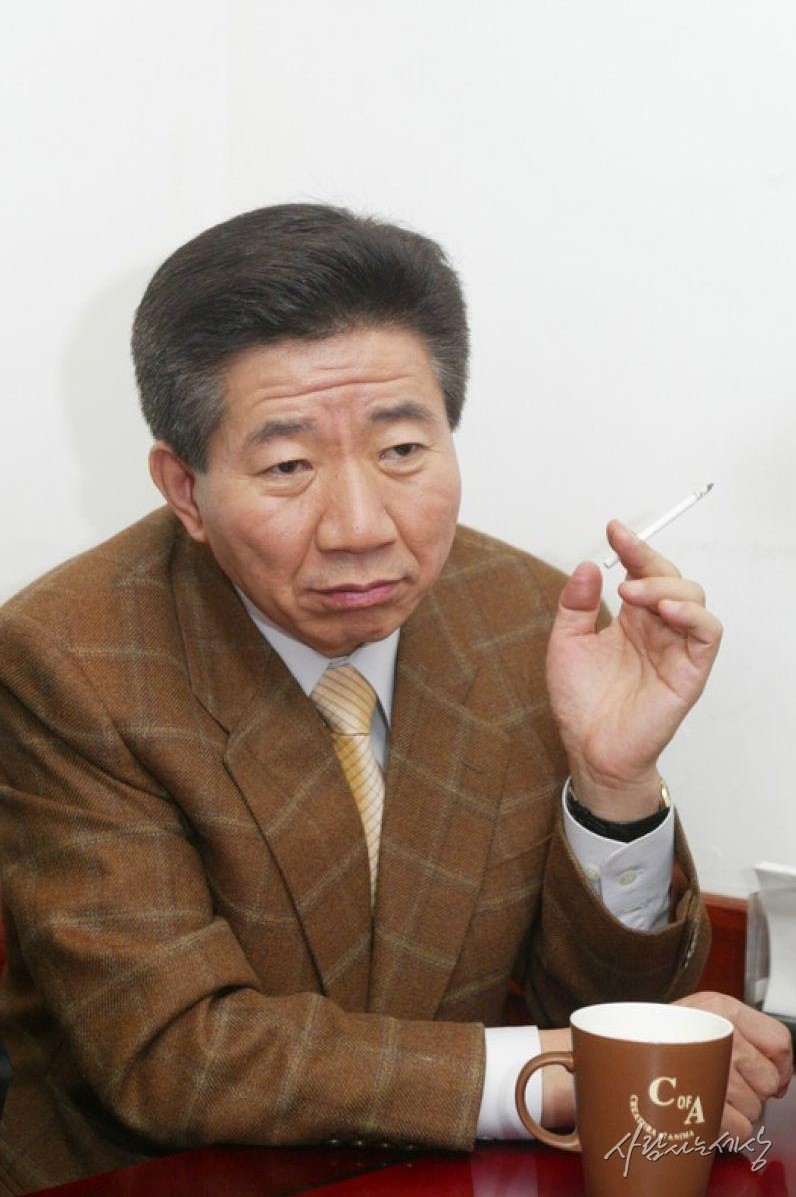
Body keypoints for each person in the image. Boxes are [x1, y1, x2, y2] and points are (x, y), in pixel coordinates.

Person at [0, 205, 790, 1194]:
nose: (362, 527)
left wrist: (613, 788)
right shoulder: (71, 656)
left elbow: (609, 1012)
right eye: (289, 466)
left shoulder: (524, 621)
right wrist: (544, 1072)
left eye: (404, 451)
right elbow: (177, 1055)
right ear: (186, 490)